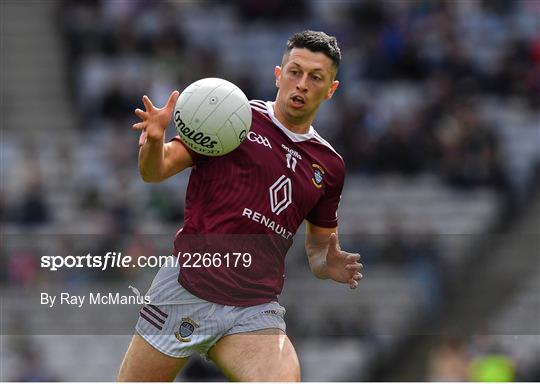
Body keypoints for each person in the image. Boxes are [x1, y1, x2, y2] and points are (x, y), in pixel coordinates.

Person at [118, 30, 363, 381]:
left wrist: (329, 264)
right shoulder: (233, 116)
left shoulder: (330, 165)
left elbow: (319, 251)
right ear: (278, 75)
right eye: (295, 72)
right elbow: (155, 171)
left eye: (316, 77)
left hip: (253, 310)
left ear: (330, 89)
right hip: (186, 288)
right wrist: (154, 141)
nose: (302, 84)